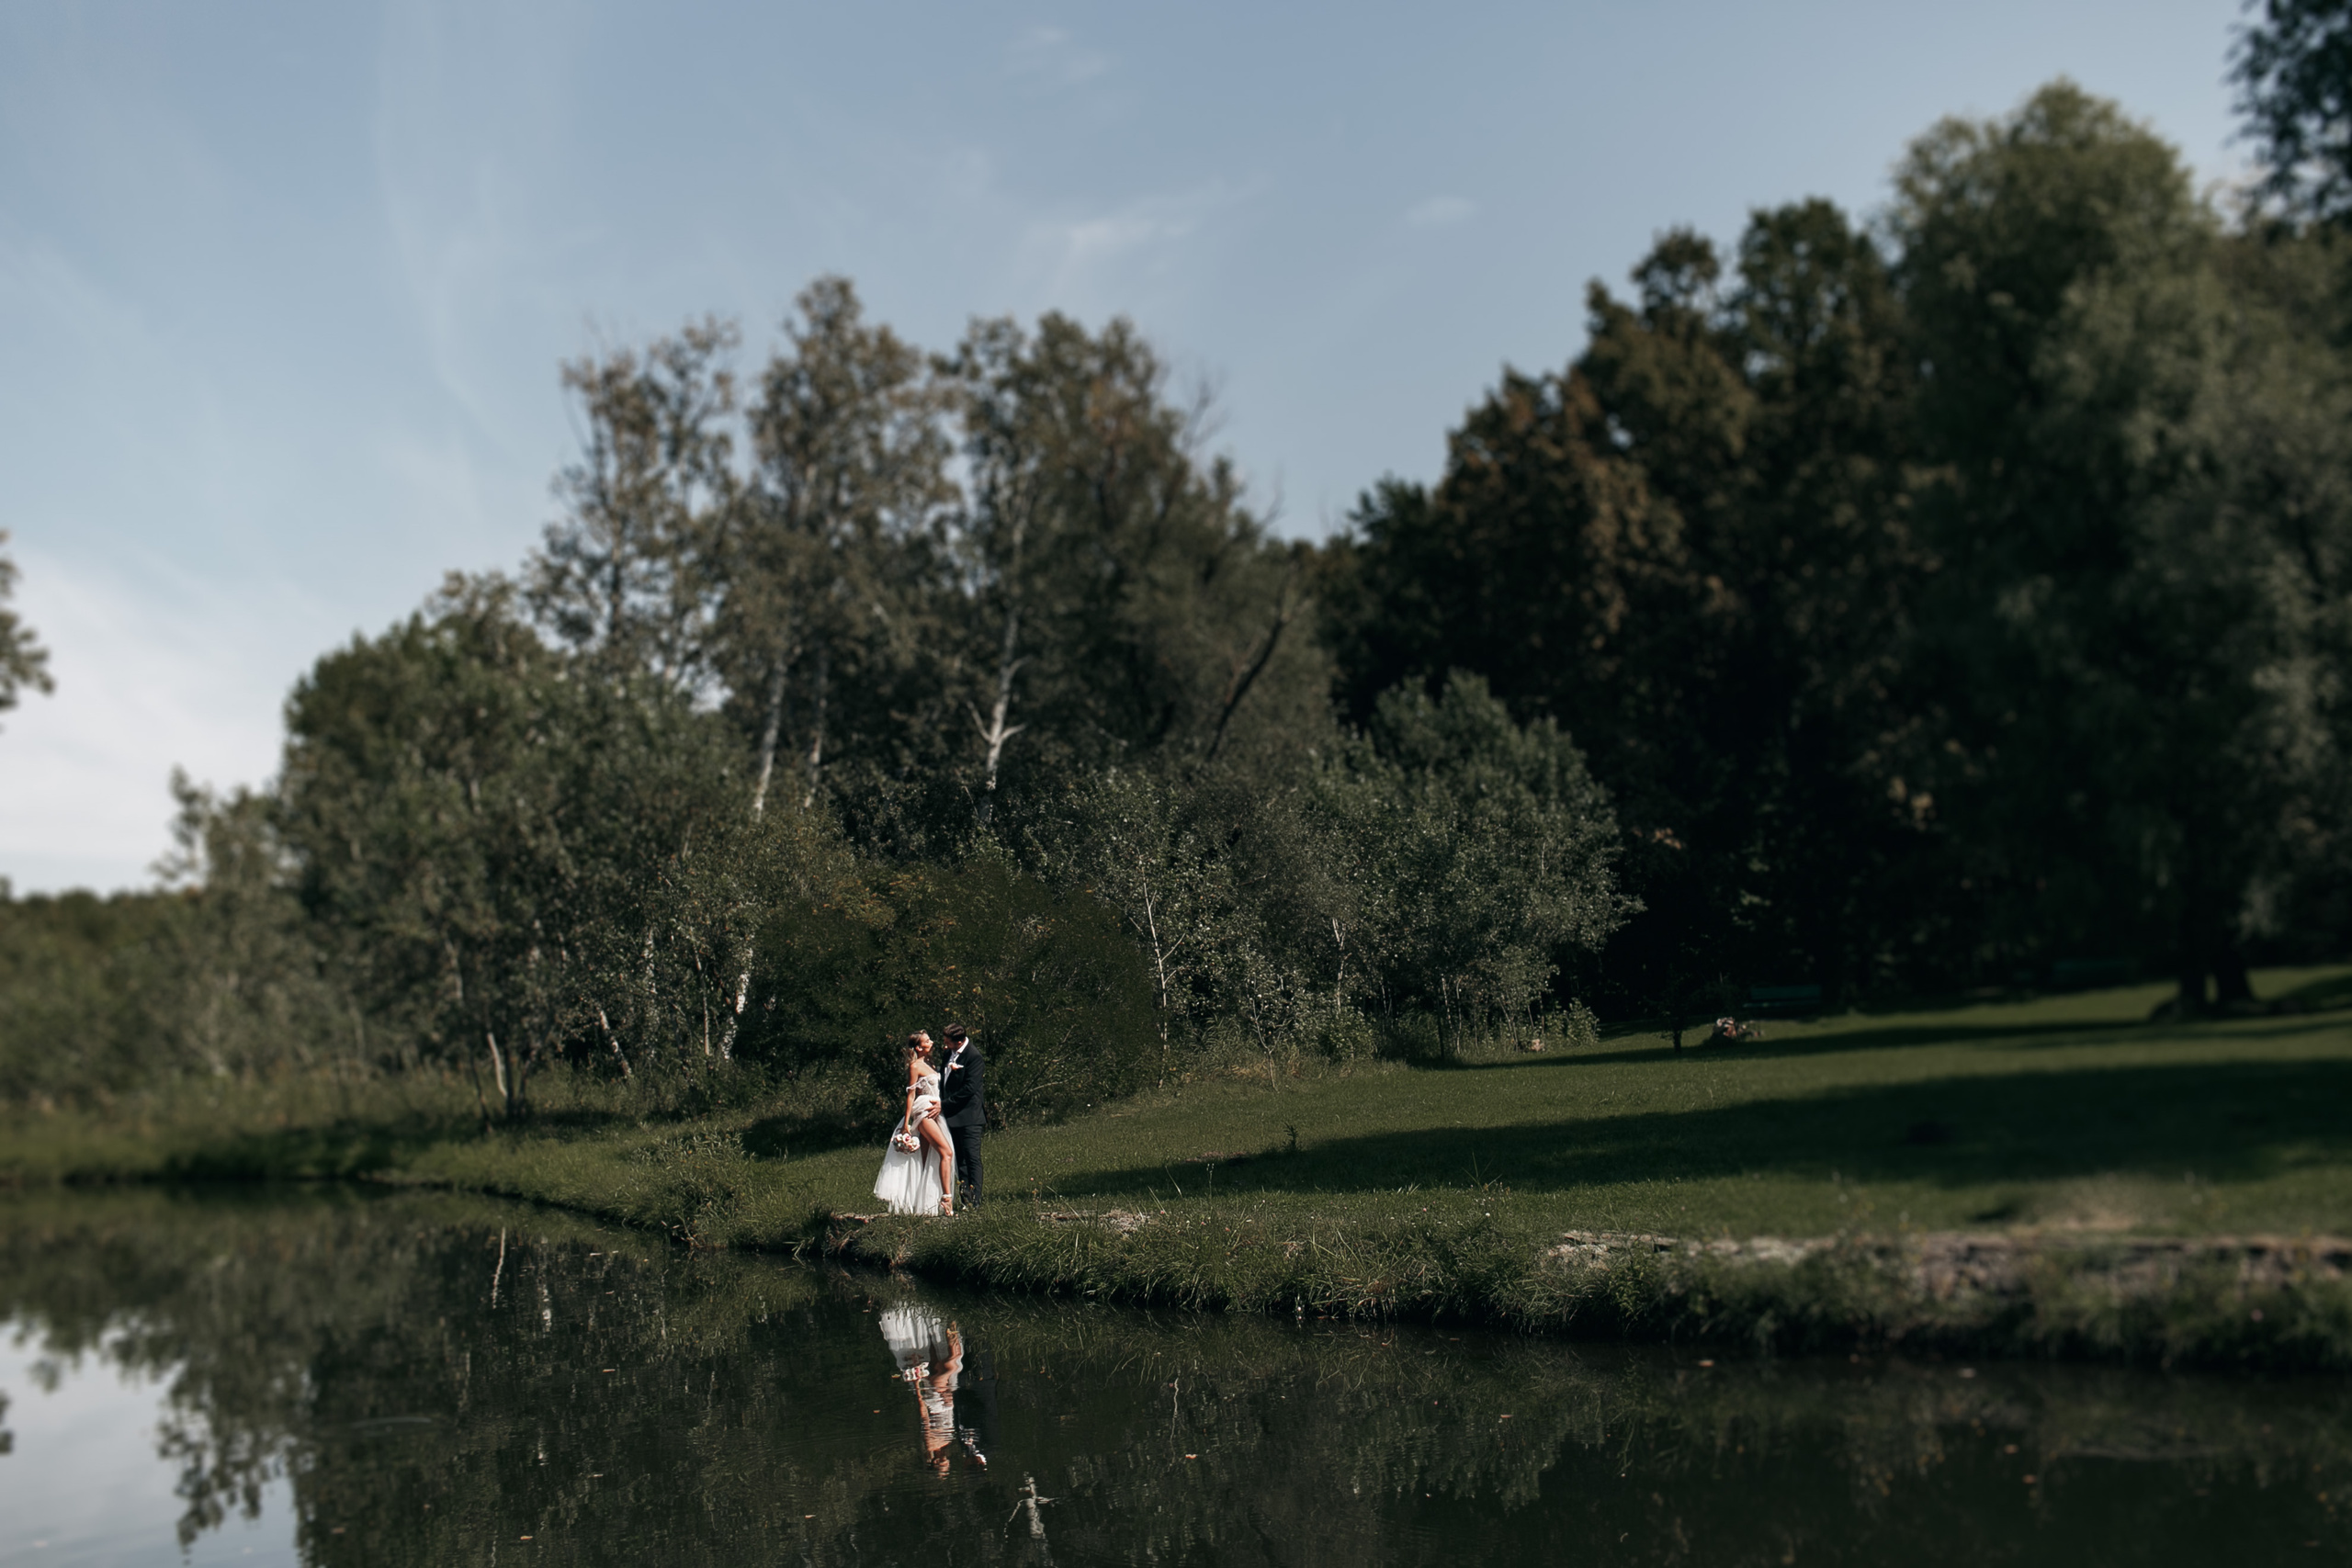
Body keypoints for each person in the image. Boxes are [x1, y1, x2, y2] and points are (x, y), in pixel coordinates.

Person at [872, 1032, 956, 1215]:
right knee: (946, 1152)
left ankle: (923, 1205)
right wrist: (907, 1123)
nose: (931, 1042)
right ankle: (946, 1199)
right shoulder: (915, 1066)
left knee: (926, 1158)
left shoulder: (931, 1064)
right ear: (918, 1047)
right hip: (923, 1111)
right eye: (927, 1041)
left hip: (935, 1110)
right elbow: (910, 1095)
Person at [938, 1022, 985, 1206]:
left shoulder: (973, 1057)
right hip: (952, 1116)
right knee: (959, 1159)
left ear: (958, 1042)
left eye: (947, 1041)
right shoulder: (947, 1055)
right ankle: (965, 1197)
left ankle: (976, 1199)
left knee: (972, 1157)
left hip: (969, 1116)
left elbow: (969, 1089)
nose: (945, 1044)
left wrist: (944, 1104)